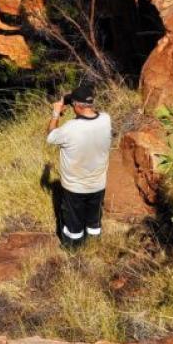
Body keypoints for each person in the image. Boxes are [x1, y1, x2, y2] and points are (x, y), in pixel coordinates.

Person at [46, 91, 112, 248]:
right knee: (93, 220)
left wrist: (56, 113)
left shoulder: (70, 129)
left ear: (76, 106)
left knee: (73, 225)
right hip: (98, 185)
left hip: (74, 189)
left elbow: (50, 136)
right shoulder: (106, 119)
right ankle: (94, 246)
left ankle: (73, 249)